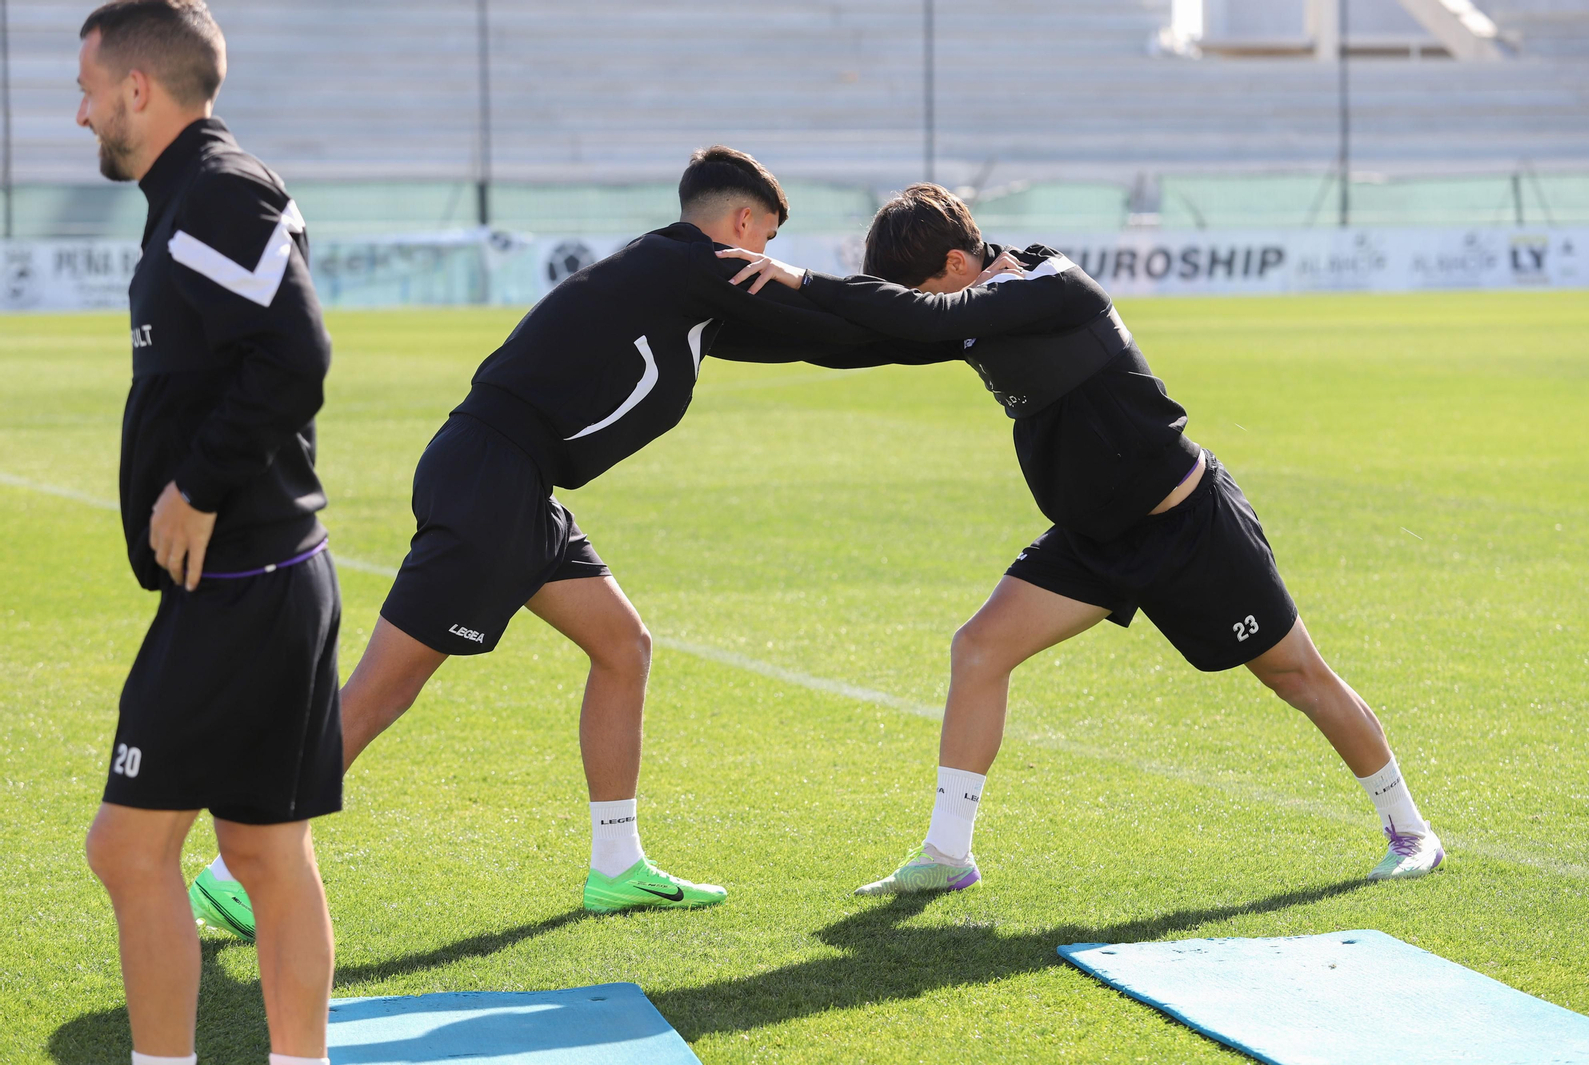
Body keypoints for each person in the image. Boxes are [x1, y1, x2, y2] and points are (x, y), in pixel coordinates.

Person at [188, 150, 1072, 935]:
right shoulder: (685, 264)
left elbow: (831, 343)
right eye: (765, 237)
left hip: (515, 487)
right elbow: (831, 316)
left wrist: (958, 325)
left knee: (622, 645)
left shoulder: (690, 293)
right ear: (739, 225)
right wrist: (958, 319)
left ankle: (616, 865)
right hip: (489, 479)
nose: (766, 256)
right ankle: (238, 865)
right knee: (382, 690)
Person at [717, 183, 1445, 895]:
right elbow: (862, 340)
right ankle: (947, 853)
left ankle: (1411, 831)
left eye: (926, 291)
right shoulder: (965, 311)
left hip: (1187, 527)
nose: (927, 307)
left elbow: (929, 319)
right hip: (1092, 541)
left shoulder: (1055, 282)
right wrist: (721, 331)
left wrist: (807, 277)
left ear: (957, 264)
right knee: (978, 648)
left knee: (1297, 677)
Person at [76, 3, 342, 1064]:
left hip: (246, 578)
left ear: (140, 89)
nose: (80, 110)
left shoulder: (214, 190)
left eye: (89, 87)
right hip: (258, 577)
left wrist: (194, 485)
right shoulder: (190, 191)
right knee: (266, 854)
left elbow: (297, 352)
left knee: (129, 850)